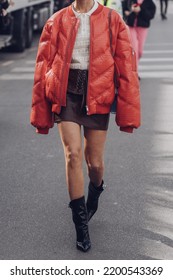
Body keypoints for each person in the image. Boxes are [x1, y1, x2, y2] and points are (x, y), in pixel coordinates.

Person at [30, 0, 141, 252]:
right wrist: (39, 110)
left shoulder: (113, 20)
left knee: (95, 163)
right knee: (73, 155)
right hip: (65, 92)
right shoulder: (56, 20)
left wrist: (128, 110)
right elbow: (42, 66)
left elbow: (126, 66)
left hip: (98, 93)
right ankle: (81, 226)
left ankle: (96, 189)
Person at [123, 0, 156, 75]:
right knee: (134, 49)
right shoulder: (129, 1)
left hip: (142, 27)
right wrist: (127, 12)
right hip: (130, 26)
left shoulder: (148, 2)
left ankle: (134, 68)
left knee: (140, 51)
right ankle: (135, 72)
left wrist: (140, 10)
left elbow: (151, 15)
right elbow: (123, 8)